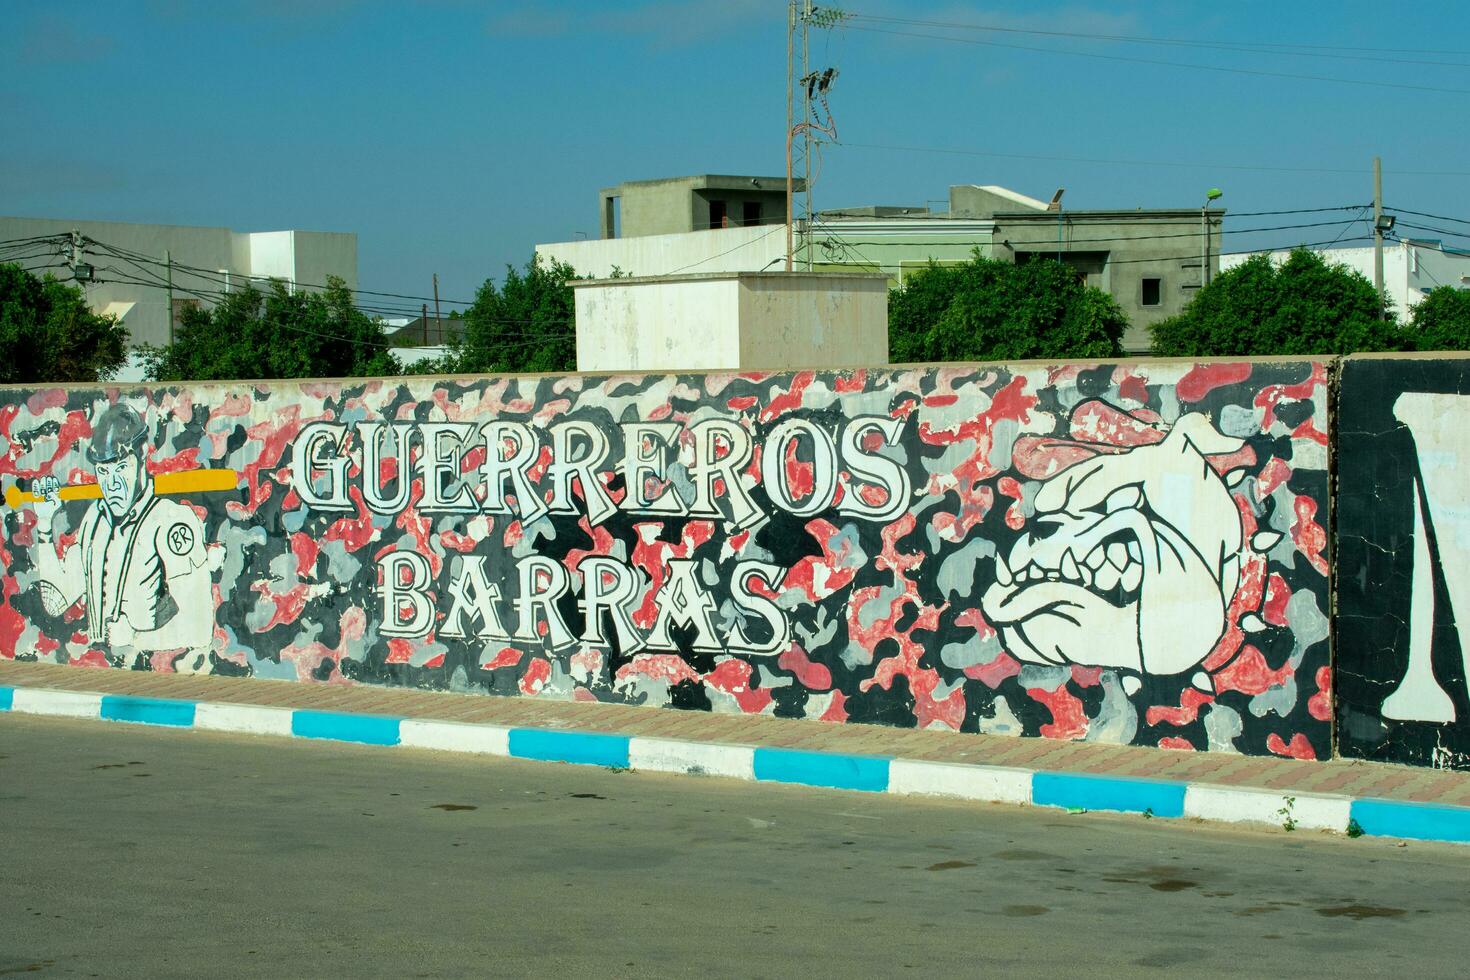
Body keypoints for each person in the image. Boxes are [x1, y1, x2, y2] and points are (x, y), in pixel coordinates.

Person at [31, 402, 213, 667]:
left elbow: (198, 627)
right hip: (104, 677)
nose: (112, 483)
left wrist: (134, 639)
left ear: (142, 458)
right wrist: (45, 524)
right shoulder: (95, 519)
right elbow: (55, 601)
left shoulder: (170, 521)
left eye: (121, 468)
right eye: (103, 471)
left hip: (156, 677)